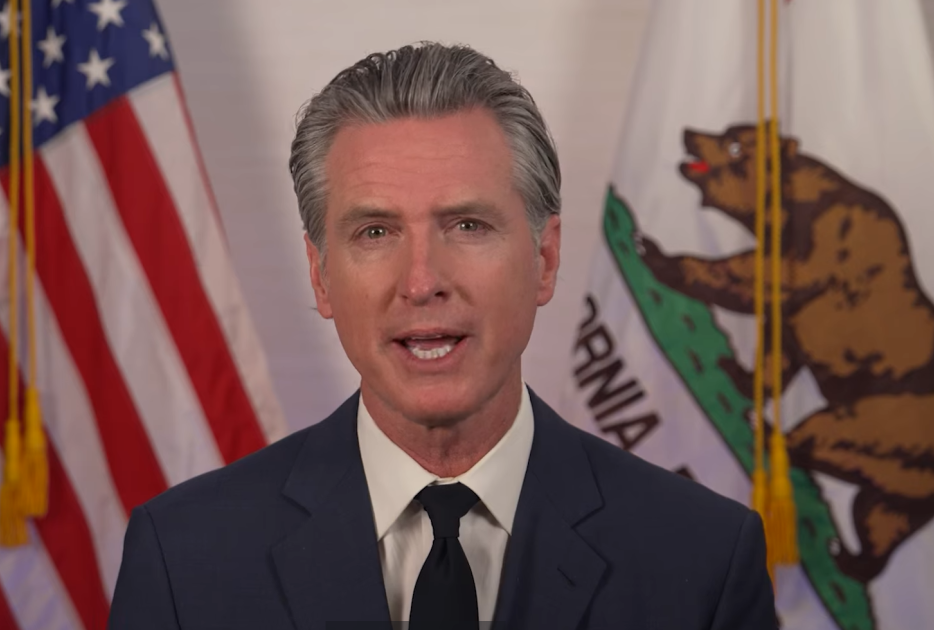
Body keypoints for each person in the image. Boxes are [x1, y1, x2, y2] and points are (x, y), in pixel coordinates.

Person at [108, 42, 776, 630]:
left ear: (544, 260)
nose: (422, 280)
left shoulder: (703, 561)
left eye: (467, 226)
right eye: (375, 232)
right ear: (320, 277)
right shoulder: (185, 559)